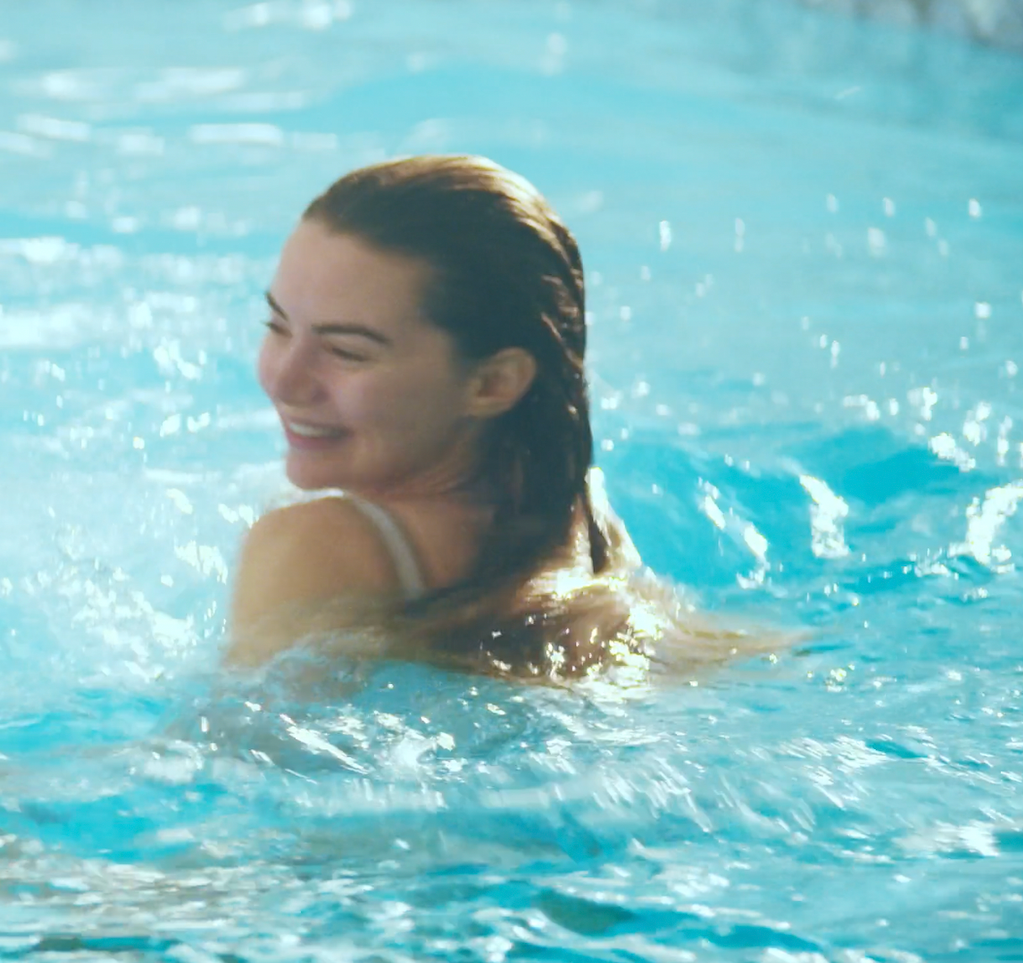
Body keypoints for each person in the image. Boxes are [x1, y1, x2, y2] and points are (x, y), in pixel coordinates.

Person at [227, 155, 682, 677]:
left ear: (493, 384)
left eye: (348, 351)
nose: (282, 379)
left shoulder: (312, 548)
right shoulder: (579, 514)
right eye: (277, 325)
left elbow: (242, 752)